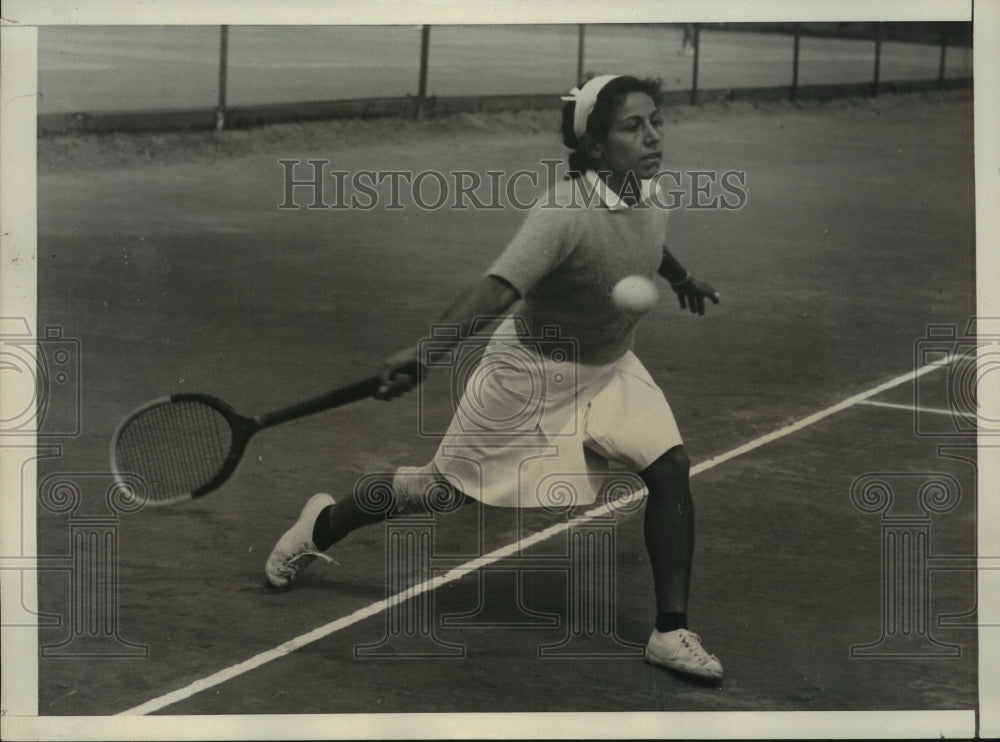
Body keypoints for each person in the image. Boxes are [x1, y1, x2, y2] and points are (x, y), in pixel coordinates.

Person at [265, 74, 724, 682]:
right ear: (592, 145)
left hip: (610, 369)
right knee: (438, 491)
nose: (652, 136)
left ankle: (670, 633)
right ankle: (319, 523)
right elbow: (498, 288)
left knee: (670, 468)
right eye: (632, 126)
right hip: (528, 376)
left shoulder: (652, 190)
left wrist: (682, 277)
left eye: (656, 121)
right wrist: (426, 352)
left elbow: (649, 239)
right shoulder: (561, 213)